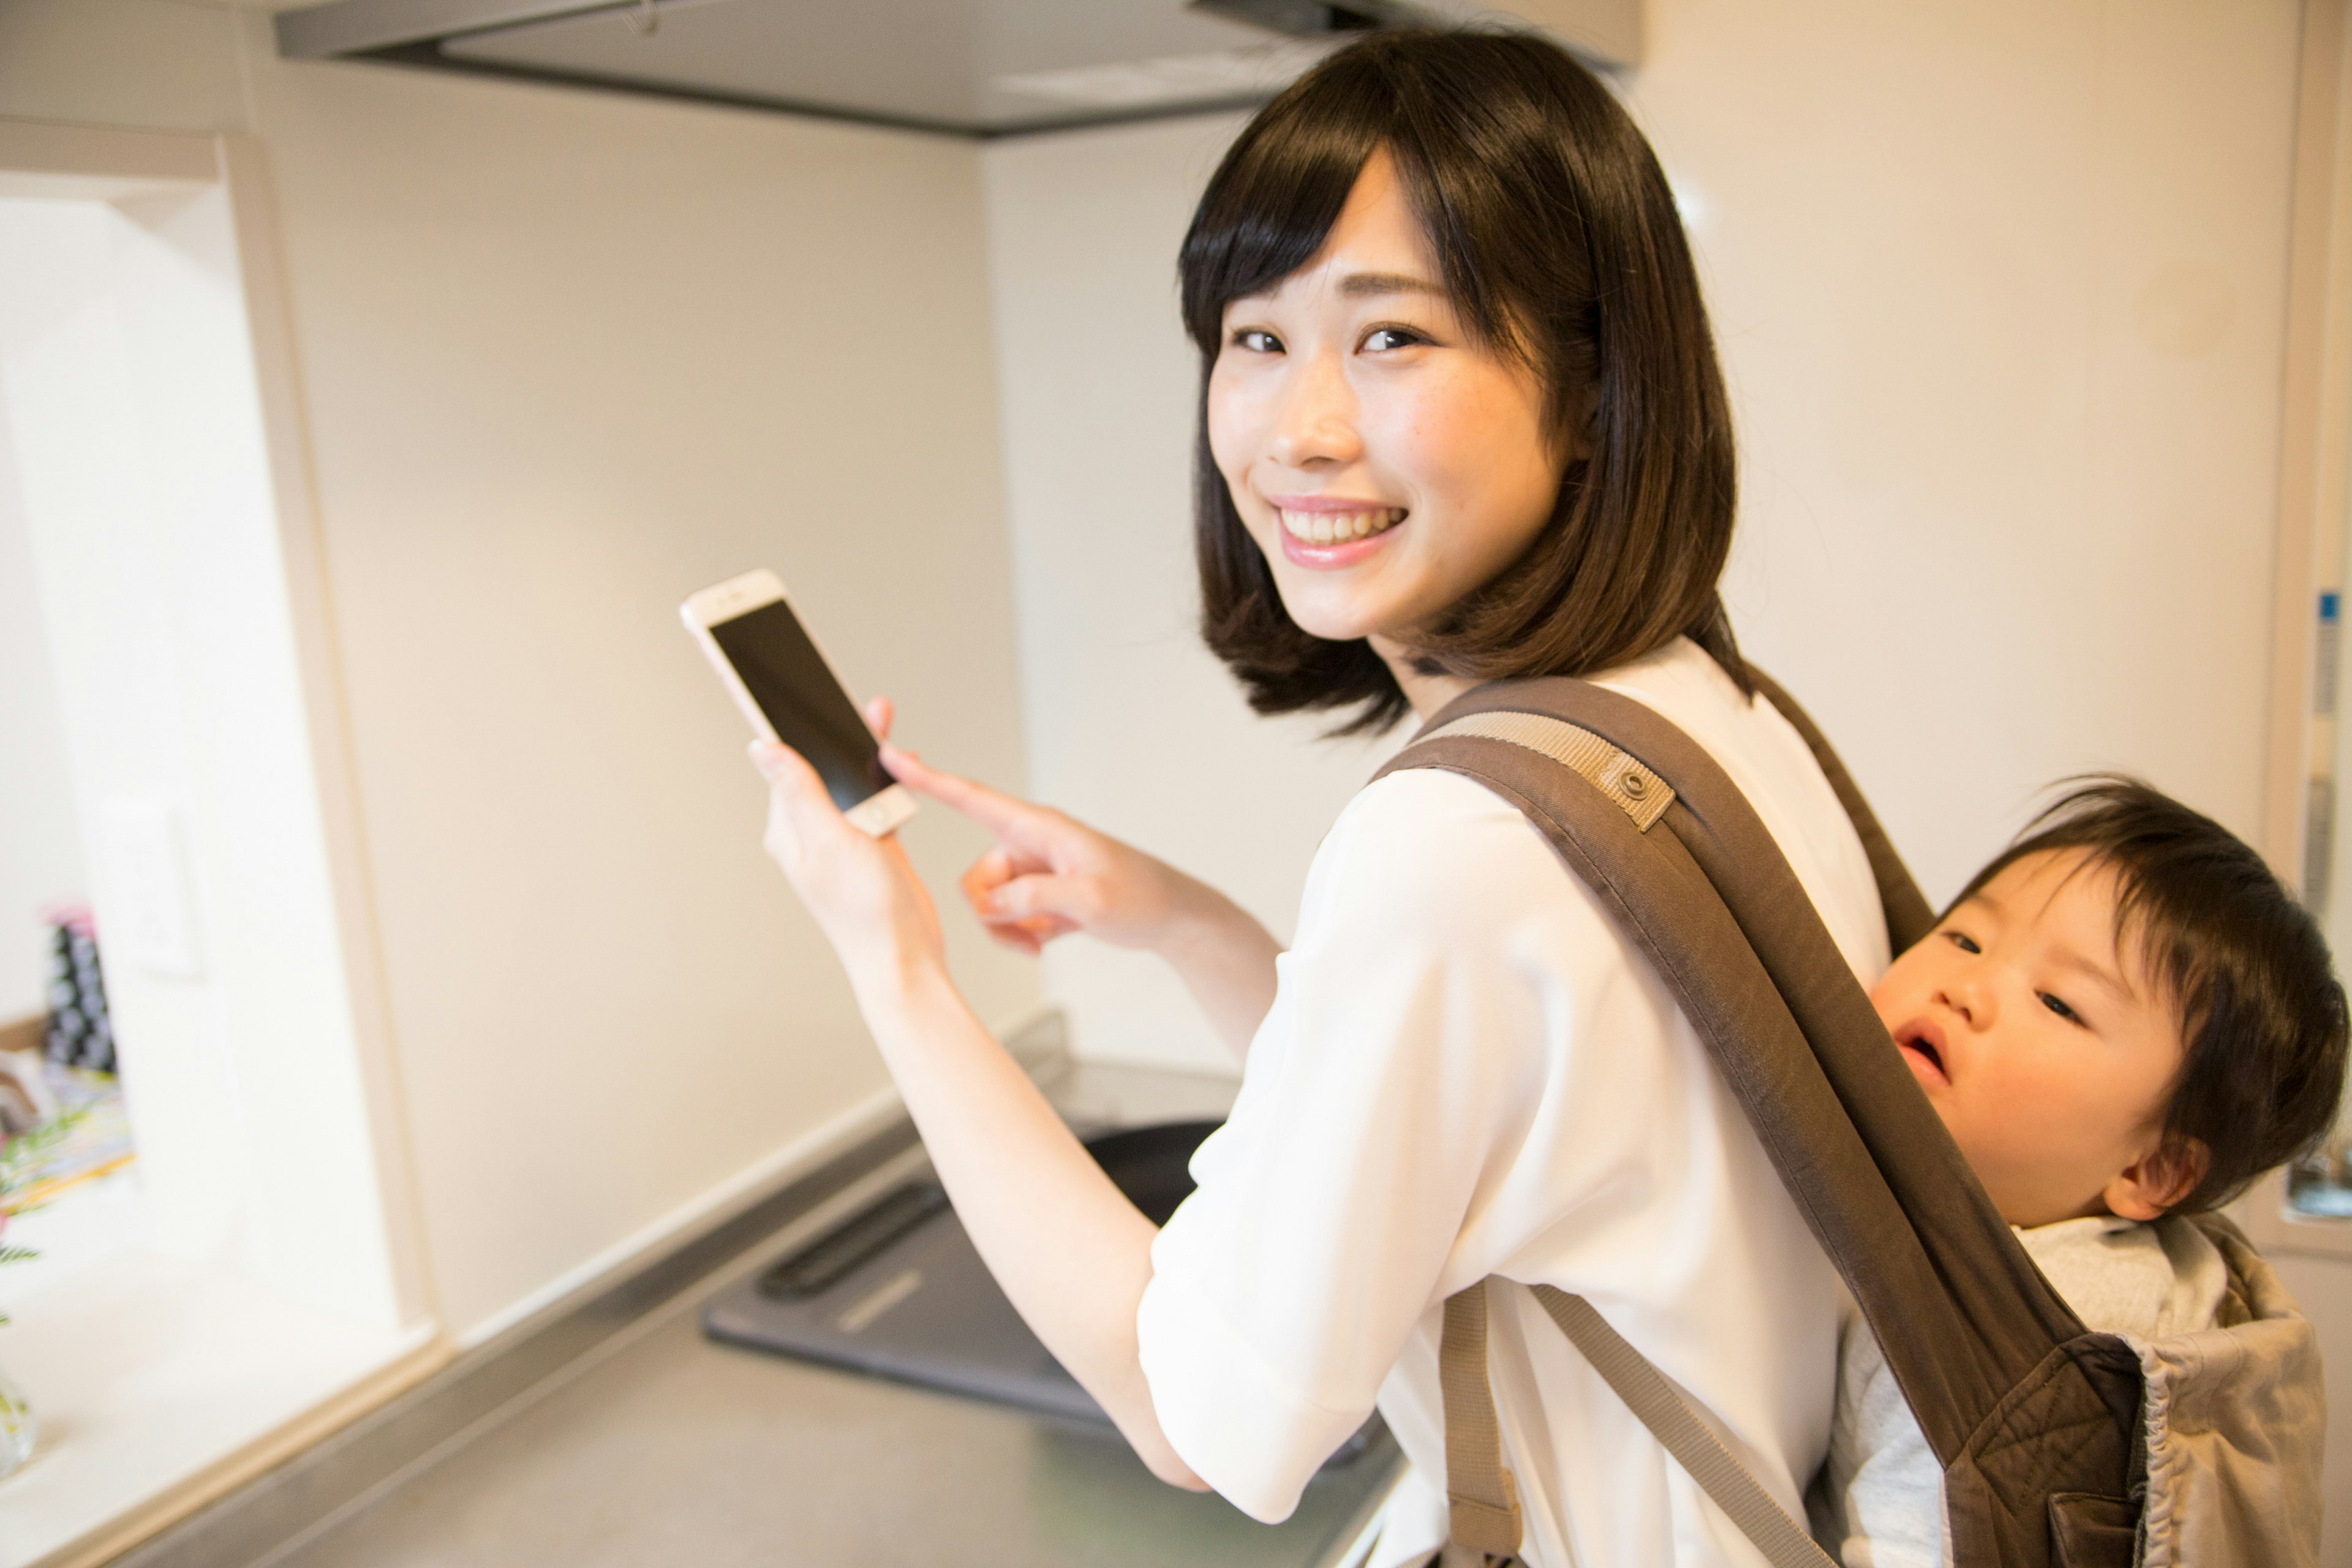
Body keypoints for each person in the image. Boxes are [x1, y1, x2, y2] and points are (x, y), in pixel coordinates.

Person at [750, 29, 1887, 1567]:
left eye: (1395, 337)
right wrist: (1179, 919)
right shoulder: (1704, 707)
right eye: (1255, 338)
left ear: (1594, 378)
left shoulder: (1462, 845)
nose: (1298, 431)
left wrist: (890, 961)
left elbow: (1194, 1411)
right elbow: (1470, 1123)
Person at [1823, 779, 2345, 1568]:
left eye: (2059, 1003)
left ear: (2154, 1167)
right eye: (1965, 939)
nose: (1966, 989)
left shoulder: (2008, 1355)